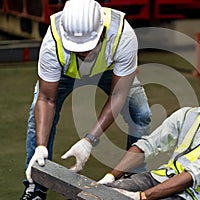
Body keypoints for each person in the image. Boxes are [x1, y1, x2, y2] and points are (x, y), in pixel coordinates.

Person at [20, 0, 151, 199]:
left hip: (109, 70)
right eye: (77, 48)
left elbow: (118, 95)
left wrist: (89, 141)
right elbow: (47, 99)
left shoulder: (123, 35)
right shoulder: (53, 42)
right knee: (36, 119)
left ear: (103, 33)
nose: (84, 53)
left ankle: (133, 177)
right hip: (66, 73)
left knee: (141, 113)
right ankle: (36, 185)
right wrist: (40, 146)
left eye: (88, 47)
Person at [98, 61, 200, 200]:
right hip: (162, 178)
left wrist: (142, 196)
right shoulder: (187, 115)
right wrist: (111, 176)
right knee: (101, 193)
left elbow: (195, 174)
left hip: (192, 194)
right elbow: (148, 145)